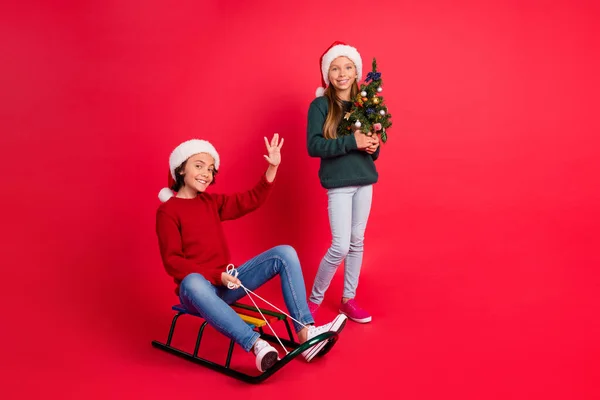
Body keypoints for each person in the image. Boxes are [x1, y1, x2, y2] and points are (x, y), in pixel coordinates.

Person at [155, 134, 347, 373]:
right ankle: (256, 344)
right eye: (199, 166)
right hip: (197, 294)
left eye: (211, 169)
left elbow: (250, 200)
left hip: (226, 285)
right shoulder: (168, 211)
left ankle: (306, 333)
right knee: (193, 281)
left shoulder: (210, 203)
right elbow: (173, 261)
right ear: (181, 169)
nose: (207, 173)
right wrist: (216, 276)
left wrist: (272, 167)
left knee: (284, 253)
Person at [306, 41, 382, 324]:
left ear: (356, 71)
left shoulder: (366, 104)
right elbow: (313, 146)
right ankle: (313, 300)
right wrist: (353, 141)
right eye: (335, 68)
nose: (342, 73)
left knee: (357, 241)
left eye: (347, 67)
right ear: (327, 73)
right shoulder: (319, 105)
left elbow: (373, 148)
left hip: (365, 181)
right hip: (339, 183)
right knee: (340, 245)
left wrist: (373, 145)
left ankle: (348, 299)